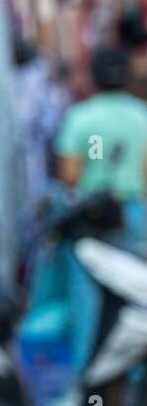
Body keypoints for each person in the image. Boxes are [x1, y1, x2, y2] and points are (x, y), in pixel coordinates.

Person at [54, 45, 147, 252]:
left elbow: (69, 175)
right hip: (134, 212)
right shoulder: (142, 115)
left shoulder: (78, 117)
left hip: (90, 214)